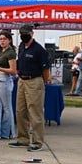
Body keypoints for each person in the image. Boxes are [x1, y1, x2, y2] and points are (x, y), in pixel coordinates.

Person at [10, 24, 50, 152]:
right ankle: (23, 138)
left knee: (35, 111)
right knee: (20, 111)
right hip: (22, 80)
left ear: (32, 34)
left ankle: (37, 142)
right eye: (22, 33)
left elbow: (45, 70)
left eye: (26, 33)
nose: (24, 35)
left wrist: (43, 82)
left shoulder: (39, 50)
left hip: (34, 80)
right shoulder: (21, 46)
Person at [0, 32, 17, 141]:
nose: (2, 41)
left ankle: (7, 132)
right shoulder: (1, 52)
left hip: (4, 79)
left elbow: (13, 71)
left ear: (9, 40)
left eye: (4, 39)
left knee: (6, 107)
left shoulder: (11, 53)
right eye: (0, 39)